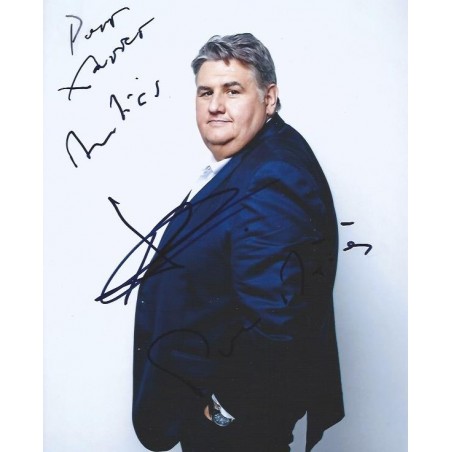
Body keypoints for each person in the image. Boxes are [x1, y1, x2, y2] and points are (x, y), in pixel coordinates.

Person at [132, 33, 344, 452]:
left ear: (269, 98)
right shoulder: (257, 159)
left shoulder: (272, 177)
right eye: (205, 92)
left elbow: (276, 326)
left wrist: (223, 411)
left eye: (232, 91)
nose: (215, 105)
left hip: (237, 431)